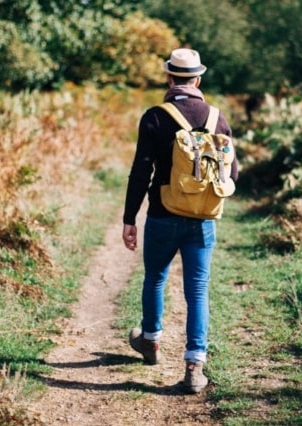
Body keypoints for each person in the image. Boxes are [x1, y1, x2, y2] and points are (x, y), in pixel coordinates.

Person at [121, 48, 239, 394]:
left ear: (169, 78)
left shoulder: (155, 116)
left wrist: (130, 218)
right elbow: (231, 172)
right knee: (197, 290)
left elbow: (140, 171)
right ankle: (194, 366)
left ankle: (150, 342)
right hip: (203, 219)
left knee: (155, 278)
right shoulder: (218, 118)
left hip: (161, 214)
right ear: (198, 79)